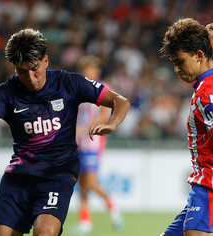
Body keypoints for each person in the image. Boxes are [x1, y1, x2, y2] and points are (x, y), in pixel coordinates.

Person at [0, 28, 130, 236]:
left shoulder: (68, 83)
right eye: (22, 71)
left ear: (45, 60)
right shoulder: (6, 91)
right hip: (20, 175)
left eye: (34, 68)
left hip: (58, 172)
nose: (30, 77)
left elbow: (121, 101)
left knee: (44, 232)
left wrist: (113, 123)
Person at [159, 18, 213, 236]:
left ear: (199, 55)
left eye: (180, 61)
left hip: (212, 187)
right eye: (173, 63)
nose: (176, 69)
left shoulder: (207, 93)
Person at [70, 55, 125, 235]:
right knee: (81, 182)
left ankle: (112, 207)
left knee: (91, 182)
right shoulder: (77, 88)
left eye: (91, 69)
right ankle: (85, 221)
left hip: (93, 142)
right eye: (85, 69)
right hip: (77, 142)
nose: (88, 72)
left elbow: (103, 116)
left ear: (97, 71)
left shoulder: (104, 88)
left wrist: (83, 129)